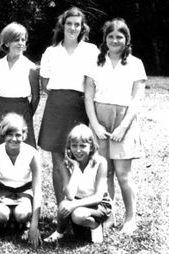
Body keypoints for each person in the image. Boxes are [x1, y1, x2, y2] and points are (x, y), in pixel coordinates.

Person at [84, 18, 147, 235]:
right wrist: (95, 125)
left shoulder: (136, 63)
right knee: (105, 171)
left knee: (122, 173)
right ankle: (108, 216)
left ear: (126, 39)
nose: (114, 40)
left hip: (124, 121)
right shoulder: (96, 62)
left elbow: (137, 100)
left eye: (119, 36)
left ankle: (130, 219)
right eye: (110, 36)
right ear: (105, 39)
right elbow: (88, 97)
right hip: (99, 120)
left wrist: (122, 128)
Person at [38, 7, 99, 206]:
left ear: (82, 28)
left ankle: (81, 205)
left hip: (80, 106)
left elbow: (95, 81)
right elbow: (45, 84)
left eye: (77, 24)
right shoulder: (51, 51)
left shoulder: (91, 51)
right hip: (56, 106)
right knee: (57, 161)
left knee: (81, 157)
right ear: (62, 25)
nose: (73, 28)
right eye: (69, 23)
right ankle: (61, 208)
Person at [0, 113, 42, 248]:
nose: (14, 139)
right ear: (3, 134)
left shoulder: (33, 154)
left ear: (24, 135)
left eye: (18, 135)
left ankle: (20, 220)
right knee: (1, 215)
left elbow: (37, 190)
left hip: (24, 191)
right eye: (10, 134)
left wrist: (34, 225)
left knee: (22, 214)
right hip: (4, 191)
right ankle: (8, 220)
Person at [43, 124, 111, 243]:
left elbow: (98, 197)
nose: (78, 150)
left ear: (91, 147)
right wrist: (76, 167)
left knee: (78, 215)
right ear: (69, 147)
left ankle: (95, 226)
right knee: (63, 205)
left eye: (83, 146)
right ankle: (59, 232)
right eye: (74, 146)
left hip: (99, 205)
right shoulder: (66, 164)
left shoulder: (100, 162)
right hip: (78, 201)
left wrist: (74, 205)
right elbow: (69, 195)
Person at [0, 22, 39, 148]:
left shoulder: (30, 66)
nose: (20, 43)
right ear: (6, 43)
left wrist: (27, 113)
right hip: (3, 109)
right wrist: (3, 106)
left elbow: (35, 96)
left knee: (23, 147)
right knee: (2, 147)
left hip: (23, 110)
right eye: (16, 40)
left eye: (23, 40)